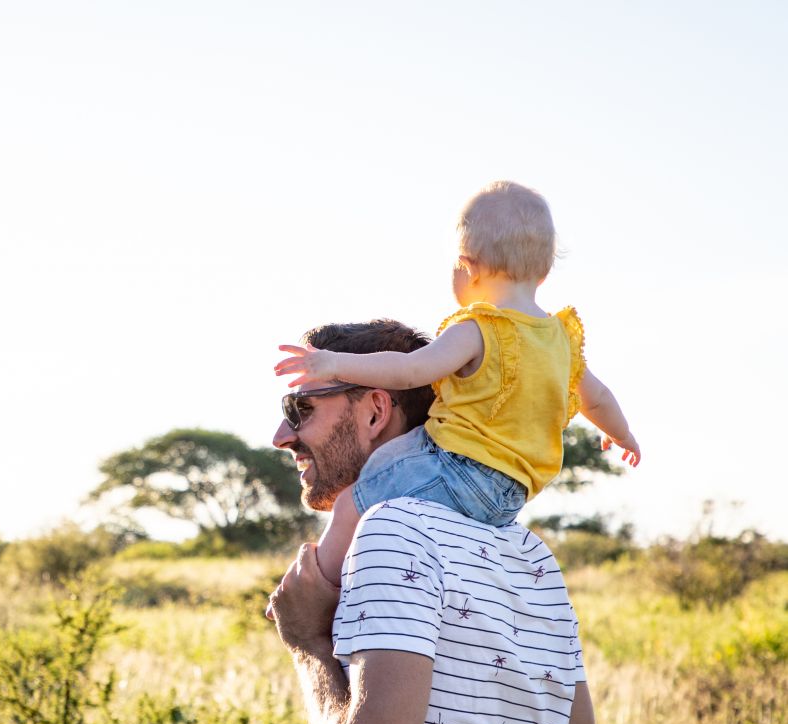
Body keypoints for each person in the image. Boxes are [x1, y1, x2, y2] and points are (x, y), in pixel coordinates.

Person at [269, 319, 597, 724]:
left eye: (300, 409)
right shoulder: (532, 556)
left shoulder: (390, 530)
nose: (280, 435)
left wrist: (307, 644)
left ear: (374, 411)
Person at [274, 181, 640, 586]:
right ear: (545, 271)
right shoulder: (561, 342)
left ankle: (311, 591)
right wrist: (622, 436)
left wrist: (333, 363)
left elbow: (410, 371)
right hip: (510, 496)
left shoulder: (480, 328)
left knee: (352, 503)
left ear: (468, 267)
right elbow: (600, 398)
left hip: (459, 471)